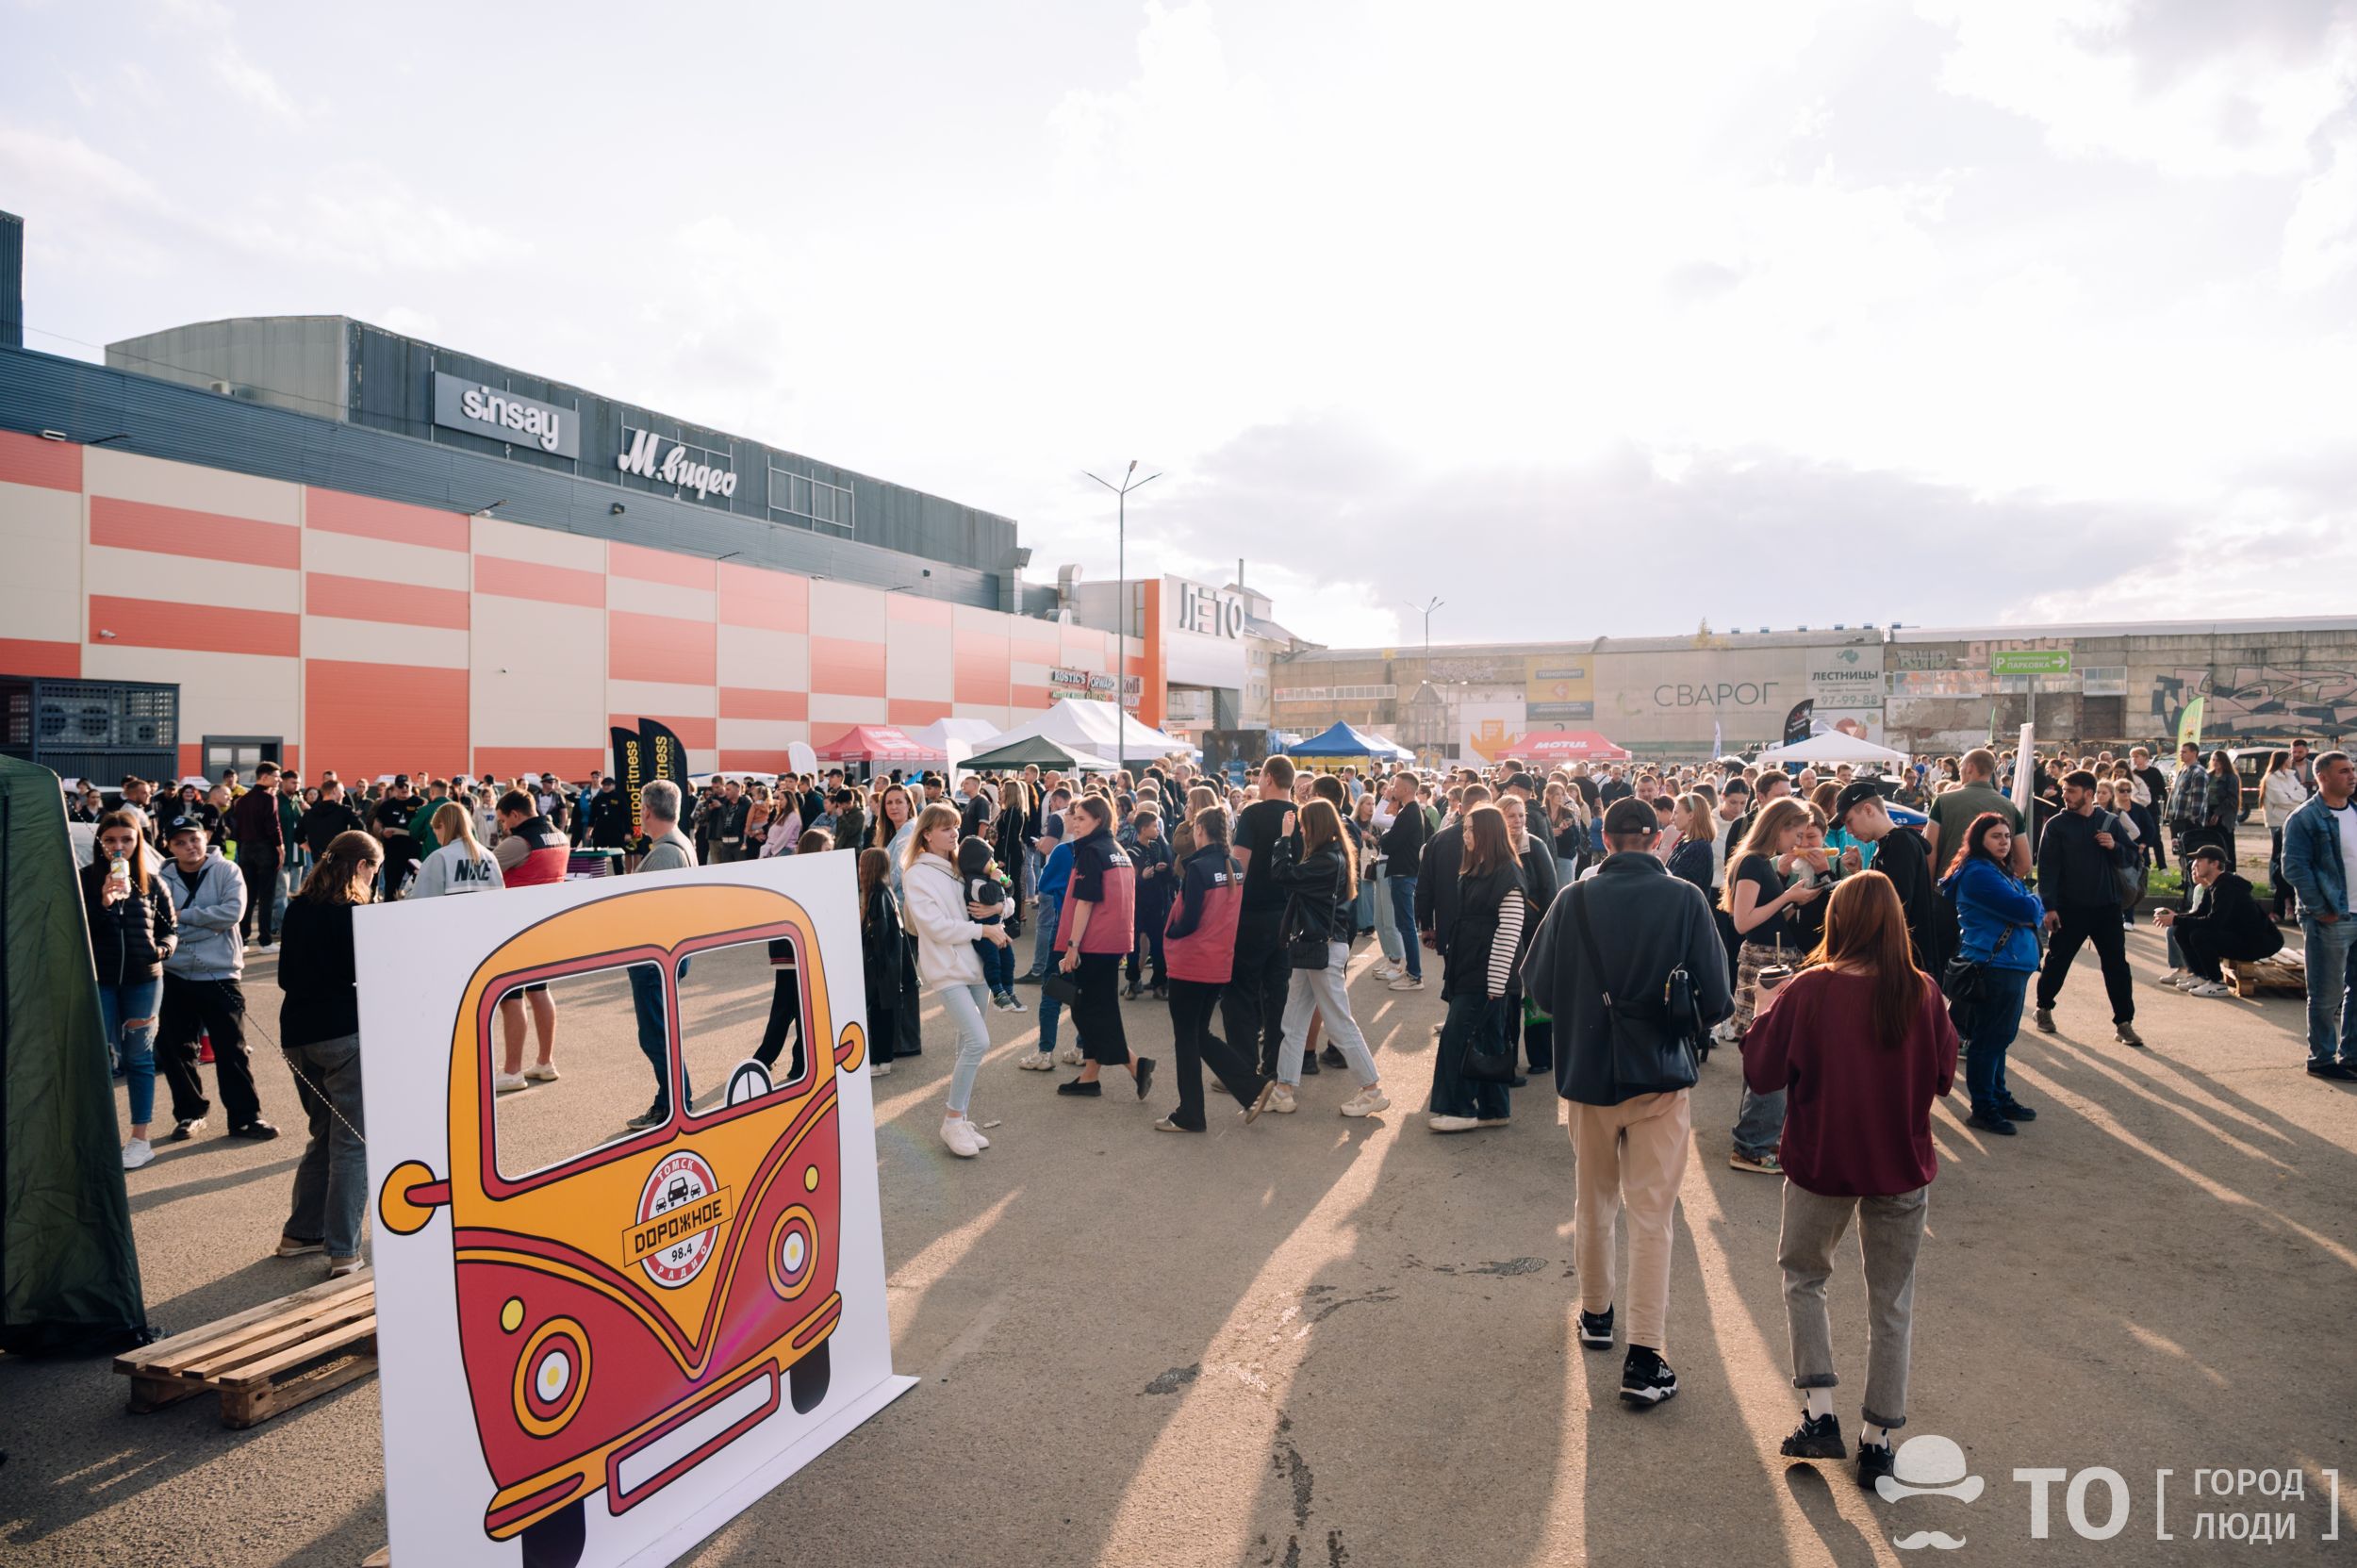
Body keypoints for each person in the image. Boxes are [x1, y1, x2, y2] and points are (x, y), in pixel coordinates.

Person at [1745, 872, 1956, 1486]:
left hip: (1823, 1157)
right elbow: (1943, 1077)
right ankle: (1879, 1437)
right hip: (1900, 1161)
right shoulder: (1919, 990)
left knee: (1804, 1276)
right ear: (1896, 922)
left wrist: (1763, 1006)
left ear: (1836, 921)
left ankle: (1820, 1413)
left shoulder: (1811, 988)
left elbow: (1762, 1074)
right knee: (1891, 1302)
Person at [1525, 796, 1733, 1411]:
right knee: (1652, 1217)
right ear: (1655, 836)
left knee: (1593, 1200)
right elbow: (1718, 1000)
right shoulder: (1687, 898)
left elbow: (1535, 986)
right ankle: (1644, 1355)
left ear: (1606, 838)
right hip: (1660, 1075)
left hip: (1588, 1077)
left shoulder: (1574, 899)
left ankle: (1595, 1314)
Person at [275, 830, 382, 1276]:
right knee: (353, 1143)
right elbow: (372, 975)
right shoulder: (355, 913)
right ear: (360, 867)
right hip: (343, 1035)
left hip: (297, 1034)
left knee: (324, 1134)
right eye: (374, 870)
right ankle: (343, 1250)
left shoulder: (298, 906)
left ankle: (301, 1233)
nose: (375, 879)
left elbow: (283, 976)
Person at [1253, 799, 1389, 1119]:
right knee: (1294, 1020)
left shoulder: (1327, 859)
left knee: (1339, 1023)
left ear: (1315, 826)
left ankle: (1372, 1090)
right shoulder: (1334, 855)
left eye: (1303, 825)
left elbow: (1281, 873)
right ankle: (1284, 1089)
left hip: (1321, 949)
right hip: (1316, 947)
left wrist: (1284, 839)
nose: (1300, 830)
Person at [156, 814, 275, 1143]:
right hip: (174, 973)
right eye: (179, 842)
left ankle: (246, 1118)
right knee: (176, 1050)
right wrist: (194, 925)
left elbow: (232, 914)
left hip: (220, 971)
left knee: (231, 1049)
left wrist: (182, 919)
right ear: (169, 846)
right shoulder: (160, 877)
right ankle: (190, 1114)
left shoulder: (227, 870)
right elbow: (159, 923)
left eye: (193, 839)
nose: (189, 847)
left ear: (205, 836)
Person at [902, 804, 1013, 1156]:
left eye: (955, 827)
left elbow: (1006, 900)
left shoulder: (961, 866)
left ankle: (960, 1117)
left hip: (978, 967)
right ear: (927, 834)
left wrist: (997, 911)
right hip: (948, 970)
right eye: (945, 828)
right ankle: (951, 1121)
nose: (954, 833)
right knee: (978, 1041)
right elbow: (933, 927)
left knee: (967, 1044)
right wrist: (983, 927)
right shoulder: (917, 874)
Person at [1722, 797, 1823, 1175]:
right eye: (1796, 833)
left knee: (1765, 1053)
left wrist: (1786, 888)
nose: (1798, 841)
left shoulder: (1759, 861)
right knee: (1772, 1053)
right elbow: (1744, 921)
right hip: (1766, 962)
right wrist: (1788, 896)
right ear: (1778, 826)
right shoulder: (1751, 861)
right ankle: (1752, 1144)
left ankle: (1754, 1136)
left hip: (1772, 960)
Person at [1158, 805, 1265, 1131]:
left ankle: (1191, 1113)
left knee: (1187, 1039)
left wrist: (1170, 930)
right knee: (1198, 1034)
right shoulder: (1233, 865)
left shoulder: (1200, 869)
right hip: (1217, 962)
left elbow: (1188, 921)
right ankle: (1251, 1087)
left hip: (1191, 963)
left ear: (1200, 831)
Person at [1937, 814, 2045, 1133]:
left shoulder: (1996, 870)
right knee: (1989, 1040)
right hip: (1996, 965)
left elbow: (2028, 906)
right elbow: (2027, 909)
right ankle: (1984, 1107)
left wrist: (2031, 905)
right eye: (1995, 836)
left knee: (2000, 1038)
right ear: (1978, 839)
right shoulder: (1978, 873)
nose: (2004, 841)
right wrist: (2033, 904)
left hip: (2010, 963)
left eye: (2007, 836)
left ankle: (1998, 1097)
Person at [1426, 803, 1529, 1131]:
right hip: (1472, 968)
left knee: (1458, 1037)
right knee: (1488, 1039)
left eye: (1470, 828)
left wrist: (1496, 985)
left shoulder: (1506, 873)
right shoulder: (1479, 869)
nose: (1465, 833)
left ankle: (1459, 1109)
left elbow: (1510, 931)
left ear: (1486, 832)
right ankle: (1494, 1108)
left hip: (1486, 973)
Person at [85, 811, 180, 1169]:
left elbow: (171, 928)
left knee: (139, 1059)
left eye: (126, 839)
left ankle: (140, 1139)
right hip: (100, 980)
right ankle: (97, 1136)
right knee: (100, 1058)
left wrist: (164, 949)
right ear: (100, 844)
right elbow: (77, 932)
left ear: (139, 842)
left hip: (145, 979)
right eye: (110, 840)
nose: (118, 847)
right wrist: (105, 902)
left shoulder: (153, 882)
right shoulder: (84, 879)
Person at [2032, 770, 2143, 1048]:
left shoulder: (2110, 822)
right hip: (2070, 908)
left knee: (2117, 966)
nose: (2065, 796)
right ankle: (2044, 1007)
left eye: (2071, 791)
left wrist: (2114, 845)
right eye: (2065, 790)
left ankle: (2124, 1023)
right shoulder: (2056, 826)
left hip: (2108, 907)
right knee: (2058, 961)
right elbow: (2047, 869)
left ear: (2089, 794)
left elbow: (2132, 856)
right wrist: (2049, 907)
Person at [1054, 794, 1156, 1099]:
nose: (1074, 823)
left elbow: (1086, 901)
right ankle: (1090, 1075)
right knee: (1093, 1007)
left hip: (1091, 943)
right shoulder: (1118, 850)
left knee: (1088, 1010)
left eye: (1081, 818)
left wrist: (1072, 947)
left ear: (1099, 819)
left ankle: (1136, 1065)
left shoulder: (1091, 852)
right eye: (1074, 817)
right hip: (1112, 943)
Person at [2278, 750, 2357, 1079]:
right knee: (2326, 994)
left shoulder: (2355, 811)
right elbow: (2294, 868)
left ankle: (2351, 1055)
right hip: (2331, 917)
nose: (2352, 775)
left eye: (2352, 769)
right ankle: (2322, 1059)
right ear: (2321, 777)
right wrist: (2321, 909)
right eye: (2343, 771)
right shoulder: (2305, 818)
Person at [625, 780, 699, 1130]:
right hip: (662, 957)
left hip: (655, 959)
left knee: (656, 1035)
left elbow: (649, 911)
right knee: (659, 1032)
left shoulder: (667, 852)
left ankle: (674, 1103)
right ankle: (670, 1100)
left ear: (648, 811)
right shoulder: (677, 844)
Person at [1228, 758, 1305, 1075]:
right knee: (1279, 994)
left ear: (1270, 778)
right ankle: (1273, 1067)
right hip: (1289, 915)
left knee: (1241, 993)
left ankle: (1242, 1069)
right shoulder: (1301, 817)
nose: (1258, 783)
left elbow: (1239, 866)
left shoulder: (1253, 813)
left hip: (1252, 914)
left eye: (1260, 777)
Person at [1832, 782, 1943, 971]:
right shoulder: (1888, 844)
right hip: (1902, 960)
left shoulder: (1899, 844)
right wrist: (1860, 873)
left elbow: (1895, 908)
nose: (1848, 831)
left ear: (1868, 810)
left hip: (1904, 964)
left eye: (1849, 821)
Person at [2155, 844, 2283, 998]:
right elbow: (2199, 914)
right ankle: (2201, 976)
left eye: (2200, 860)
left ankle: (2218, 983)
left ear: (2214, 864)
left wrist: (2176, 919)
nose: (2194, 864)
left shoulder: (2226, 886)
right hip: (2239, 936)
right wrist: (2174, 918)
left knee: (2200, 935)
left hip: (2258, 942)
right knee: (2181, 930)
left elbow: (2214, 922)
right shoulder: (2213, 886)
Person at [1922, 748, 2027, 880]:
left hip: (1948, 889)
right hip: (1992, 892)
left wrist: (1930, 890)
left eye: (1961, 767)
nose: (1960, 772)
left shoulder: (1943, 801)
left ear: (1970, 768)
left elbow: (1930, 852)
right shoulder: (2009, 806)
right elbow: (2025, 864)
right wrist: (2002, 885)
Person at [856, 847, 911, 1078]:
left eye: (861, 866)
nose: (859, 871)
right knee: (882, 1013)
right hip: (887, 967)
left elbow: (879, 935)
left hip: (881, 968)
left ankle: (881, 1059)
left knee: (880, 1014)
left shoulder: (877, 896)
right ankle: (881, 1058)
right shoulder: (884, 893)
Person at [957, 834, 1024, 1012]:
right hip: (984, 933)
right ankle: (998, 994)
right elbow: (989, 896)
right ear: (977, 861)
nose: (993, 862)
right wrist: (995, 880)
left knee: (1008, 960)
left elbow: (1008, 893)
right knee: (993, 960)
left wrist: (1006, 882)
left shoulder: (988, 877)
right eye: (989, 859)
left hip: (998, 929)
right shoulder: (974, 881)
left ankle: (1009, 992)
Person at [225, 760, 286, 949]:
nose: (279, 781)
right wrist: (280, 848)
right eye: (276, 777)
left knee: (248, 896)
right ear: (264, 777)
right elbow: (273, 826)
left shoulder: (242, 799)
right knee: (267, 896)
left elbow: (234, 825)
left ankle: (242, 939)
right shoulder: (269, 799)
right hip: (266, 849)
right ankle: (265, 940)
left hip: (245, 850)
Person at [409, 801, 505, 901]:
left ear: (442, 826)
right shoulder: (489, 856)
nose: (437, 839)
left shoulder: (439, 857)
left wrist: (419, 880)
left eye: (435, 832)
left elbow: (421, 901)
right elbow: (500, 896)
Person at [1126, 805, 1175, 999]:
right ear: (1143, 828)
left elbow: (1169, 874)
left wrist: (1163, 869)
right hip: (1138, 907)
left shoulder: (1157, 847)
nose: (1158, 830)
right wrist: (1142, 878)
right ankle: (1132, 982)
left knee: (1158, 946)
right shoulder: (1131, 852)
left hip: (1157, 905)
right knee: (1134, 947)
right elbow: (1128, 883)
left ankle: (1159, 983)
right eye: (1154, 826)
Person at [2262, 750, 2309, 923]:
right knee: (2277, 855)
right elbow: (2279, 798)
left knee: (2288, 856)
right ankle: (2274, 884)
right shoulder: (2271, 778)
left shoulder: (2290, 775)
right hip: (2278, 819)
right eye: (2289, 757)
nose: (2291, 759)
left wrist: (2292, 798)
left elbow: (2303, 793)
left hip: (2292, 816)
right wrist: (2293, 799)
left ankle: (2285, 903)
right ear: (2283, 760)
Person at [1665, 793, 1716, 899]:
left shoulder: (1698, 848)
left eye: (1676, 813)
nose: (1671, 818)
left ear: (1691, 815)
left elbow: (1678, 887)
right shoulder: (1687, 843)